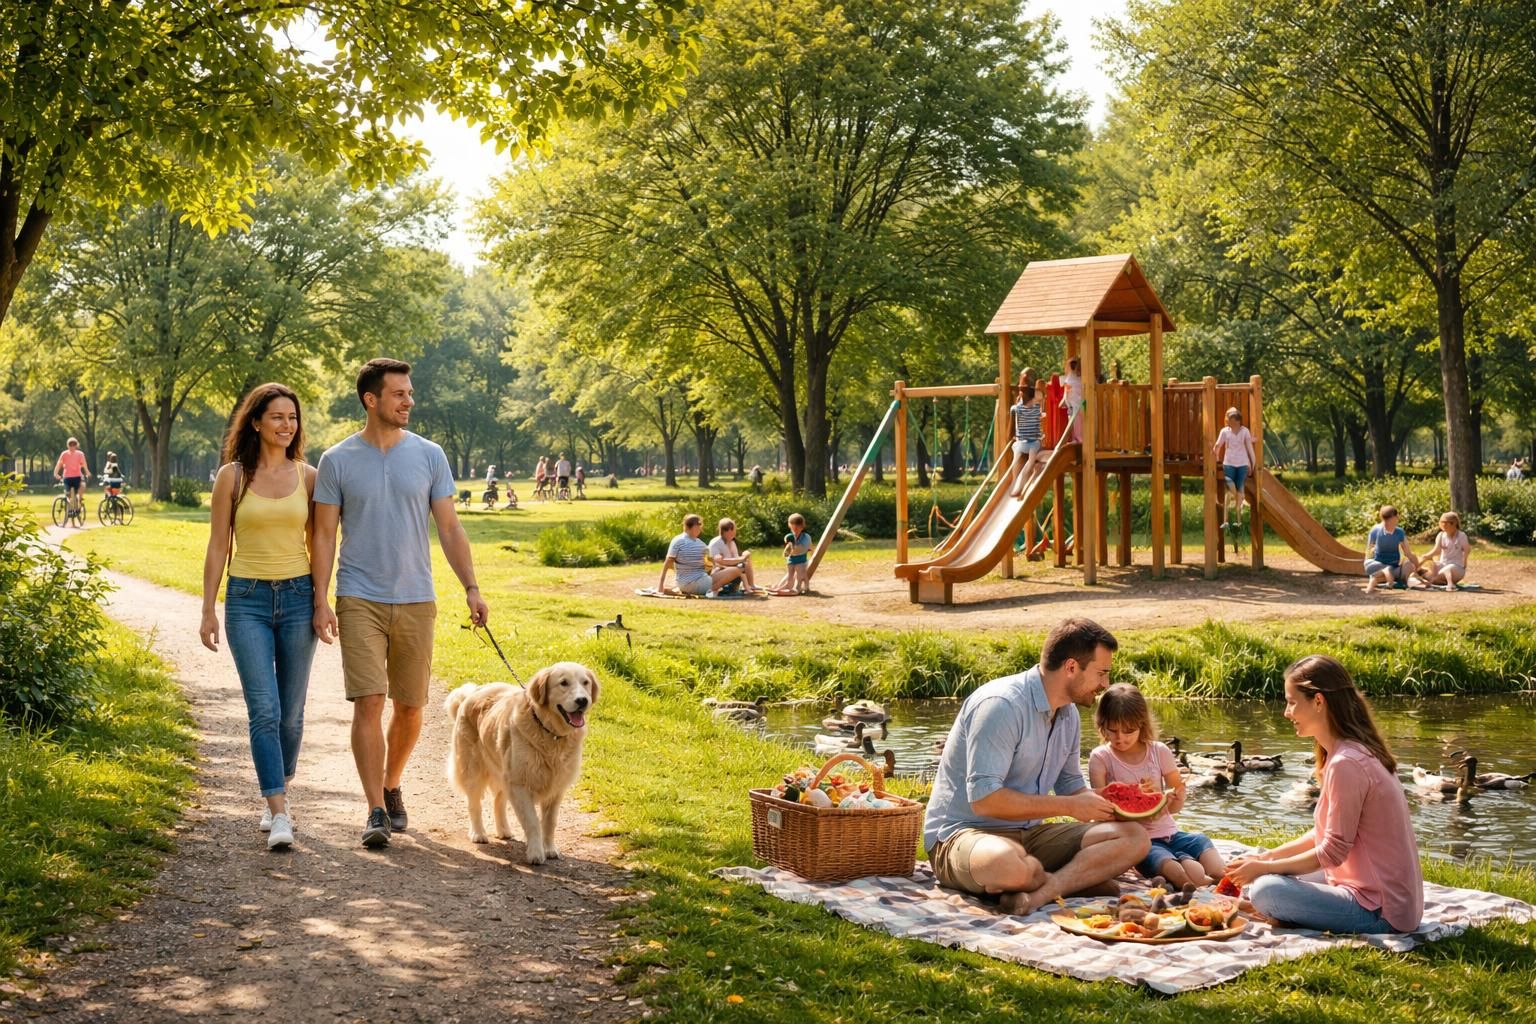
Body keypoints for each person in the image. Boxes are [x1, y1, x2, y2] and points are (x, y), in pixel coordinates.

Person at [311, 358, 490, 849]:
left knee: (410, 707)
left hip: (417, 595)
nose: (409, 401)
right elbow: (324, 536)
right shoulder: (337, 460)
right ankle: (373, 808)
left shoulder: (430, 455)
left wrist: (471, 586)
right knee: (368, 701)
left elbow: (450, 527)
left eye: (410, 393)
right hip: (358, 596)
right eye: (399, 394)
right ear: (371, 400)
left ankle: (391, 785)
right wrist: (320, 597)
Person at [924, 617, 1149, 915]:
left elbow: (1071, 787)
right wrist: (1069, 808)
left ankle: (1037, 892)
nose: (1105, 685)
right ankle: (1060, 880)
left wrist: (1107, 804)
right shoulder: (1001, 706)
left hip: (1031, 836)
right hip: (964, 835)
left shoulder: (1068, 715)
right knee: (1005, 863)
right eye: (1101, 673)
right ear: (1071, 668)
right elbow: (985, 801)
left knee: (1134, 838)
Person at [198, 383, 318, 851]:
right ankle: (279, 809)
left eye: (292, 418)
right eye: (277, 417)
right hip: (245, 599)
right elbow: (217, 546)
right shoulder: (233, 476)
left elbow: (321, 542)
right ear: (255, 422)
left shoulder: (309, 476)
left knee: (291, 716)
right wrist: (208, 608)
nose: (287, 425)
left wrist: (322, 600)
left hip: (297, 598)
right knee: (263, 710)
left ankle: (277, 782)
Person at [1226, 655, 1423, 934]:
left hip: (1380, 910)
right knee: (1267, 871)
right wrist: (1267, 858)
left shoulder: (1347, 763)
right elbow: (1325, 834)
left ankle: (1284, 912)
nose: (1286, 712)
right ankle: (1290, 909)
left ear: (1318, 701)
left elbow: (1331, 852)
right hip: (1376, 892)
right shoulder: (1349, 753)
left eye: (1292, 702)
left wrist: (1263, 870)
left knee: (1266, 889)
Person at [1088, 684, 1224, 888]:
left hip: (1172, 833)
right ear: (1101, 724)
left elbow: (1174, 807)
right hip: (1140, 842)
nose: (1120, 738)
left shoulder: (1159, 751)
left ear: (1142, 724)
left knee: (1213, 861)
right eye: (1113, 730)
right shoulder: (1100, 757)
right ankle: (1201, 893)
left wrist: (1172, 799)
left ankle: (1217, 883)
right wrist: (1133, 805)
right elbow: (1100, 811)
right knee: (1176, 871)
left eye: (1129, 731)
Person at [1212, 408, 1256, 529]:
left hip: (1241, 463)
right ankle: (1239, 502)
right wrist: (1215, 456)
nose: (1228, 421)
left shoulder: (1244, 431)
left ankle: (1237, 520)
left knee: (1239, 487)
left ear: (1237, 421)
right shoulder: (1225, 431)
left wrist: (1252, 464)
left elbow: (1249, 447)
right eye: (1228, 418)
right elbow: (1218, 444)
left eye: (1230, 419)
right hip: (1229, 463)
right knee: (1231, 486)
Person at [1364, 504, 1417, 594]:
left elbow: (1408, 553)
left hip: (1392, 567)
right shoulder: (1376, 530)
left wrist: (1414, 565)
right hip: (1379, 564)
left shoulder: (1398, 532)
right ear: (1395, 517)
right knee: (1369, 564)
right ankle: (1388, 574)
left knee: (1408, 565)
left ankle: (1384, 574)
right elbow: (1369, 551)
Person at [1008, 379, 1046, 499]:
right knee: (1030, 461)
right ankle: (1020, 484)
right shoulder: (1035, 408)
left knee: (1017, 459)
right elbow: (1039, 399)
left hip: (1022, 443)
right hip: (1032, 443)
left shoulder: (1017, 408)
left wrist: (1020, 395)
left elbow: (1014, 411)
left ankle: (1016, 483)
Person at [657, 513, 713, 595]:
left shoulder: (701, 544)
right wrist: (660, 585)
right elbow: (668, 562)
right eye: (699, 526)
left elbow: (710, 563)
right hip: (689, 582)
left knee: (725, 576)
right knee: (724, 581)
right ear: (694, 526)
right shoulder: (678, 541)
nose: (700, 529)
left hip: (701, 579)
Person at [1414, 511, 1470, 592]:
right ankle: (1436, 580)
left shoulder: (1461, 536)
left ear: (1454, 523)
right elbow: (1436, 551)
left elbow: (1467, 550)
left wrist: (1464, 564)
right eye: (1441, 522)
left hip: (1456, 567)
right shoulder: (1441, 535)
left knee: (1448, 569)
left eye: (1445, 523)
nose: (1443, 525)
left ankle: (1450, 584)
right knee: (1432, 565)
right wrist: (1425, 557)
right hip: (1443, 564)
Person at [707, 518, 756, 594]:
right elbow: (718, 562)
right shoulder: (715, 543)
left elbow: (736, 558)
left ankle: (751, 585)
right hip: (717, 571)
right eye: (728, 530)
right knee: (741, 564)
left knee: (745, 561)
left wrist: (743, 557)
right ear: (723, 531)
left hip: (729, 567)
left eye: (733, 529)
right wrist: (742, 558)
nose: (732, 532)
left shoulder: (732, 542)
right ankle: (742, 586)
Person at [770, 513, 812, 595]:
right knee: (790, 575)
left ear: (802, 527)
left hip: (801, 560)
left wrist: (794, 546)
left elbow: (803, 548)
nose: (795, 530)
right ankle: (786, 586)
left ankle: (798, 588)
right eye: (793, 527)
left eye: (797, 528)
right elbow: (787, 551)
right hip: (791, 559)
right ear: (790, 525)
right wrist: (789, 546)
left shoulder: (806, 537)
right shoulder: (789, 536)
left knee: (799, 575)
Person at [53, 437, 90, 524]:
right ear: (68, 445)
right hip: (67, 477)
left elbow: (84, 464)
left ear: (76, 445)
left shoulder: (80, 454)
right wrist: (56, 473)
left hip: (77, 476)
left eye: (74, 445)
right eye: (70, 445)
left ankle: (79, 503)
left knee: (82, 486)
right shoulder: (64, 454)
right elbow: (59, 464)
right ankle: (70, 507)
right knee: (68, 494)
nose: (72, 447)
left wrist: (87, 472)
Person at [1060, 357, 1084, 443]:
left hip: (1073, 404)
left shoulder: (1068, 379)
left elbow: (1066, 393)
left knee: (1074, 421)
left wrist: (1064, 401)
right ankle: (1078, 438)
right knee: (1080, 421)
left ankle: (1077, 438)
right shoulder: (1080, 378)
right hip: (1082, 403)